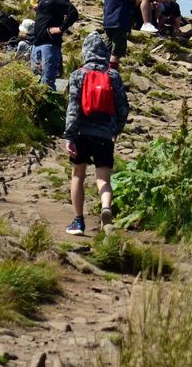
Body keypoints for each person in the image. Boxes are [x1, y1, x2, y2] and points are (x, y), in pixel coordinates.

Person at [64, 32, 130, 236]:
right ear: (104, 52)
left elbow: (73, 108)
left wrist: (69, 135)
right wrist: (115, 130)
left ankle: (78, 222)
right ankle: (105, 207)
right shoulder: (113, 75)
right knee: (103, 178)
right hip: (104, 135)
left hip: (82, 133)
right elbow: (123, 108)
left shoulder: (78, 74)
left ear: (85, 51)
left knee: (78, 175)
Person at [32, 0, 80, 90]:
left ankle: (49, 107)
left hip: (50, 44)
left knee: (47, 82)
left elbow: (73, 13)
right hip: (36, 42)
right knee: (34, 79)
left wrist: (61, 28)